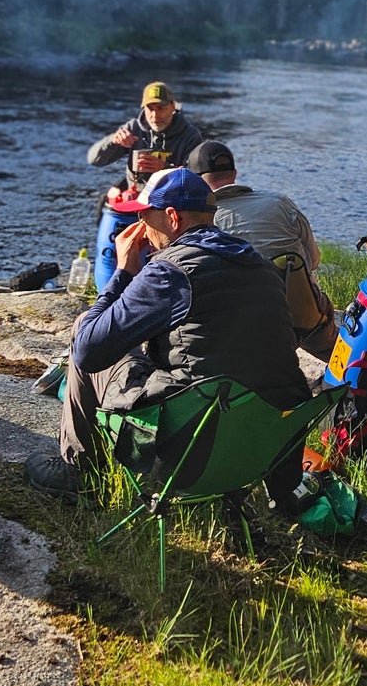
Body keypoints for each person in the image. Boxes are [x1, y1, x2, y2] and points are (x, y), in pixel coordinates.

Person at [28, 165, 309, 500]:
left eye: (146, 218)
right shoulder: (261, 266)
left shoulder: (170, 271)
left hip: (189, 450)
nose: (142, 230)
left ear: (173, 218)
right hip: (258, 449)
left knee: (82, 328)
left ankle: (79, 472)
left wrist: (122, 273)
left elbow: (90, 349)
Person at [186, 140, 339, 361]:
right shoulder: (279, 203)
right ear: (235, 173)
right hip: (301, 318)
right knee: (327, 340)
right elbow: (313, 261)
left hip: (237, 329)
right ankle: (343, 367)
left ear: (195, 181)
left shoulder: (199, 220)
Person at [86, 80, 204, 291]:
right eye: (150, 108)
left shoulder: (190, 135)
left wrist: (165, 168)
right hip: (136, 200)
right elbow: (94, 159)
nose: (155, 114)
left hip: (168, 206)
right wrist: (114, 141)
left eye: (161, 108)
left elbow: (197, 180)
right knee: (105, 201)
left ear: (172, 107)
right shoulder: (134, 129)